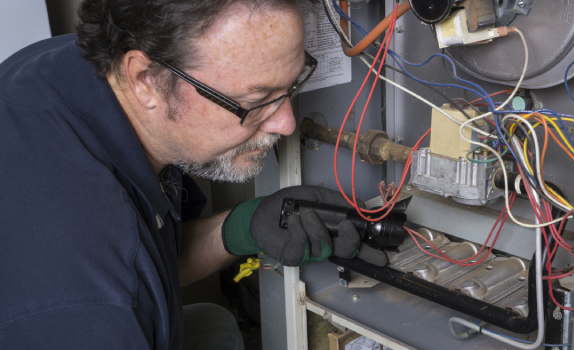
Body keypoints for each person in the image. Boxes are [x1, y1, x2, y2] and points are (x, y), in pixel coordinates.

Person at [0, 0, 385, 349]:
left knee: (215, 325)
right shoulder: (91, 302)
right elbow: (121, 273)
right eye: (254, 102)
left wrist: (245, 225)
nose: (286, 123)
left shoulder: (73, 64)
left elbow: (152, 256)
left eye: (291, 86)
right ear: (146, 79)